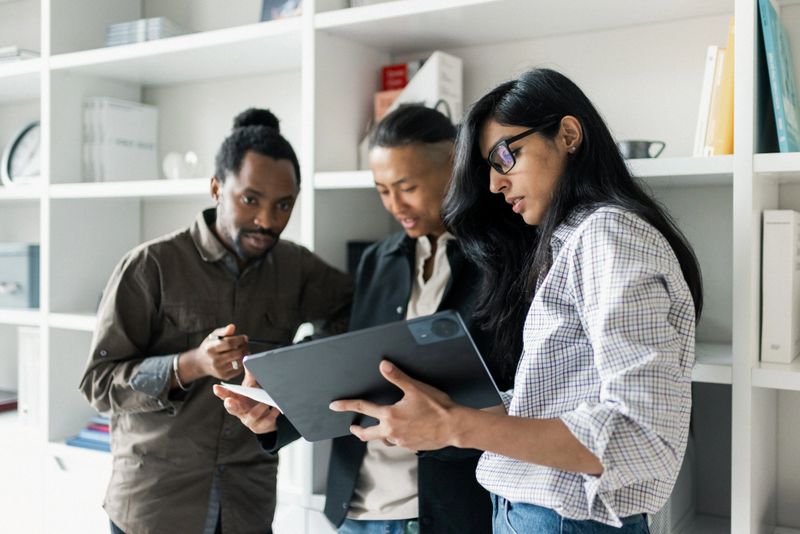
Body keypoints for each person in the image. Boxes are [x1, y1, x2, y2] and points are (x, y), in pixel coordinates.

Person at [329, 68, 703, 533]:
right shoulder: (570, 243)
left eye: (506, 155)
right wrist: (444, 411)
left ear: (568, 134)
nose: (494, 183)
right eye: (488, 165)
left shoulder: (610, 235)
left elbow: (638, 434)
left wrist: (454, 425)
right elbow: (549, 405)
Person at [215, 104, 514, 534]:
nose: (395, 205)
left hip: (448, 512)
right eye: (382, 190)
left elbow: (512, 396)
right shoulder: (378, 260)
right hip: (355, 511)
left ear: (453, 167)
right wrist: (278, 414)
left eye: (406, 186)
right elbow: (355, 376)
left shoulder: (504, 261)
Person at [79, 108, 352, 534]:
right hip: (155, 503)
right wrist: (191, 364)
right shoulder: (150, 266)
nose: (267, 220)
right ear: (215, 188)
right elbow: (97, 384)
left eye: (284, 205)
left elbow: (354, 313)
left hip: (249, 502)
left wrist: (297, 365)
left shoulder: (297, 268)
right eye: (250, 200)